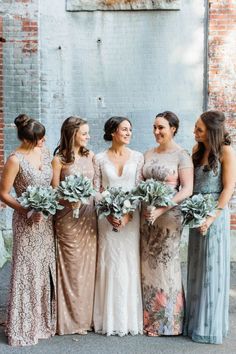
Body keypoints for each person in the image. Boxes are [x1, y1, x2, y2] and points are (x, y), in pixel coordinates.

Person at [0, 114, 56, 346]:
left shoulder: (44, 152)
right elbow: (3, 193)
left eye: (43, 138)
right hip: (26, 220)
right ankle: (22, 326)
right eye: (39, 139)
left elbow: (53, 185)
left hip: (47, 221)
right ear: (27, 139)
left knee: (43, 268)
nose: (43, 142)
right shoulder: (15, 159)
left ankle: (41, 323)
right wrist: (27, 210)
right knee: (26, 268)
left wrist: (49, 204)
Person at [184, 110, 236, 344]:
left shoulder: (226, 152)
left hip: (215, 214)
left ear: (212, 131)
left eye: (199, 129)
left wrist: (211, 217)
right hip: (196, 213)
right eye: (195, 128)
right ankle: (195, 322)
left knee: (212, 271)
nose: (194, 133)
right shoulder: (197, 150)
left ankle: (210, 326)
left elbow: (228, 188)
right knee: (197, 268)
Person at [141, 111, 193, 336]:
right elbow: (140, 183)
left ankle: (169, 323)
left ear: (173, 128)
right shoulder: (148, 152)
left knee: (166, 265)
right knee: (148, 266)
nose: (156, 131)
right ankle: (149, 320)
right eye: (154, 127)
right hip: (147, 216)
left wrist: (161, 208)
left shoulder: (182, 155)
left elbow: (187, 189)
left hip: (169, 216)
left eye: (161, 127)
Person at [93, 116, 144, 336]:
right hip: (107, 219)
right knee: (110, 262)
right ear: (113, 131)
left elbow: (140, 190)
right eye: (124, 129)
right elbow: (95, 189)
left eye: (130, 129)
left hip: (131, 220)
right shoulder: (99, 158)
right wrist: (108, 212)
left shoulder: (138, 157)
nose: (128, 133)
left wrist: (128, 215)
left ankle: (128, 319)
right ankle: (108, 319)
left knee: (128, 262)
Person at [52, 116, 97, 335]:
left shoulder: (91, 156)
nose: (88, 137)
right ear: (72, 134)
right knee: (70, 268)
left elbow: (97, 188)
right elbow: (53, 192)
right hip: (67, 218)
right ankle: (69, 321)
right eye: (84, 133)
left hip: (89, 217)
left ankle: (85, 320)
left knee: (87, 269)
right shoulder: (59, 159)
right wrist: (67, 200)